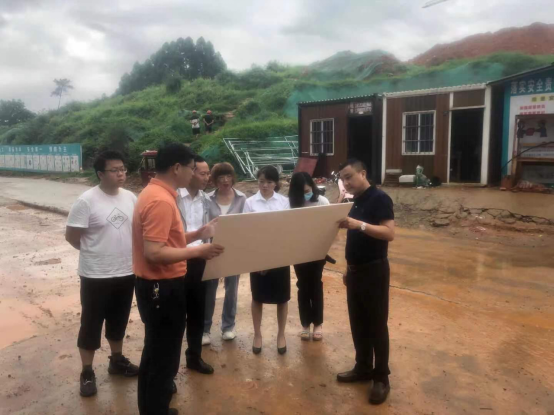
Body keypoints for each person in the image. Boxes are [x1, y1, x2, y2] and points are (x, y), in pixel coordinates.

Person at [132, 143, 224, 415]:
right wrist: (199, 251)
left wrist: (197, 234)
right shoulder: (161, 201)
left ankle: (152, 408)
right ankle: (156, 410)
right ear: (176, 168)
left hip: (156, 286)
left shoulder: (154, 193)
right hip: (161, 287)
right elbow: (154, 253)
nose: (193, 174)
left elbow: (167, 241)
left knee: (155, 351)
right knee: (163, 354)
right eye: (192, 168)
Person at [66, 150, 139, 398]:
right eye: (114, 170)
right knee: (91, 323)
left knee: (119, 319)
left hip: (126, 272)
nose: (121, 174)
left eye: (123, 169)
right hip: (95, 275)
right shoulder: (86, 201)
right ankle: (87, 372)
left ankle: (116, 361)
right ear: (100, 174)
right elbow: (72, 236)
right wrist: (96, 253)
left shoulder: (130, 197)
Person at [336, 159, 395, 406]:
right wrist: (348, 269)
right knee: (358, 322)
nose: (346, 182)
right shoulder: (355, 201)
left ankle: (381, 378)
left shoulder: (380, 198)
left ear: (363, 173)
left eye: (349, 176)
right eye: (343, 178)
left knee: (377, 324)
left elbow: (389, 233)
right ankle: (363, 367)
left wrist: (358, 224)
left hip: (374, 271)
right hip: (355, 272)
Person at [243, 165, 290, 355]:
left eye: (269, 182)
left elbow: (285, 231)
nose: (264, 185)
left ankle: (281, 334)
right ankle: (257, 335)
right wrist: (260, 259)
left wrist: (273, 258)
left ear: (276, 183)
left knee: (282, 298)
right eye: (261, 181)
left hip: (279, 256)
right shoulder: (249, 203)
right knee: (257, 297)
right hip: (258, 256)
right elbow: (247, 232)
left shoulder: (284, 202)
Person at [177, 155, 216, 375]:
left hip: (200, 260)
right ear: (190, 172)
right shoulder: (174, 197)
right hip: (176, 258)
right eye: (203, 173)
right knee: (175, 314)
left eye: (208, 173)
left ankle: (194, 356)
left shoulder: (206, 200)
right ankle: (170, 367)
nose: (207, 177)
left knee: (197, 311)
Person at [203, 162, 247, 344]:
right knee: (209, 289)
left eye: (228, 176)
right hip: (211, 249)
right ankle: (205, 329)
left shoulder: (242, 198)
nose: (225, 180)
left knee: (232, 289)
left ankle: (228, 327)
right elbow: (203, 224)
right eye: (221, 177)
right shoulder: (207, 199)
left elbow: (246, 224)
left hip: (233, 249)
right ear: (214, 180)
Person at [288, 172, 330, 342]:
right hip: (298, 252)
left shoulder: (322, 202)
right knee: (303, 286)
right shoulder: (290, 205)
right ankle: (305, 324)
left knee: (316, 285)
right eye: (303, 192)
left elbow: (329, 226)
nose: (307, 194)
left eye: (308, 190)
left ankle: (318, 323)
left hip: (318, 251)